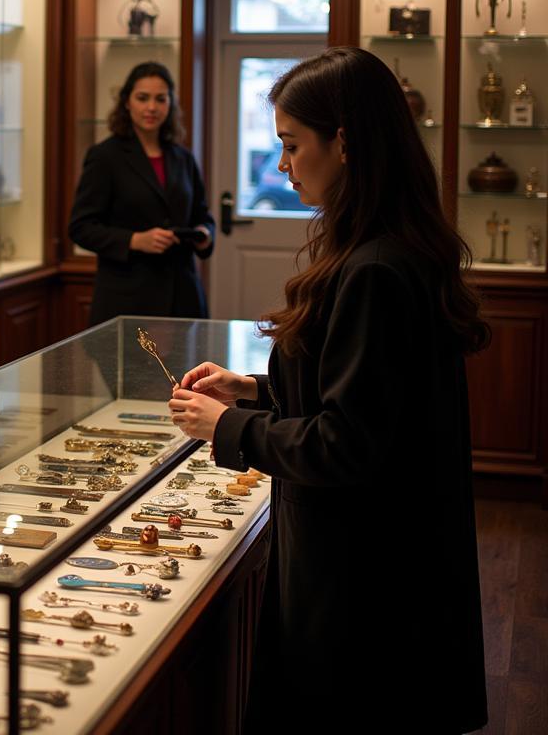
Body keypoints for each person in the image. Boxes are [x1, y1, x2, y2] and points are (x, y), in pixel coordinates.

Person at [169, 47, 488, 733]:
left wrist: (222, 427)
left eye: (292, 145)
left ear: (343, 141)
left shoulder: (375, 268)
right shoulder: (384, 247)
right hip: (380, 570)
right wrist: (249, 389)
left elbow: (346, 443)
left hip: (366, 588)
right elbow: (362, 389)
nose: (282, 164)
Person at [68, 62, 215, 325]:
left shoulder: (183, 157)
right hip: (127, 302)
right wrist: (134, 240)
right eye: (142, 98)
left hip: (183, 298)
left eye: (161, 99)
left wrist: (205, 234)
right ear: (127, 102)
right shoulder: (105, 156)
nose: (152, 107)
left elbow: (203, 215)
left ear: (170, 104)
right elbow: (80, 228)